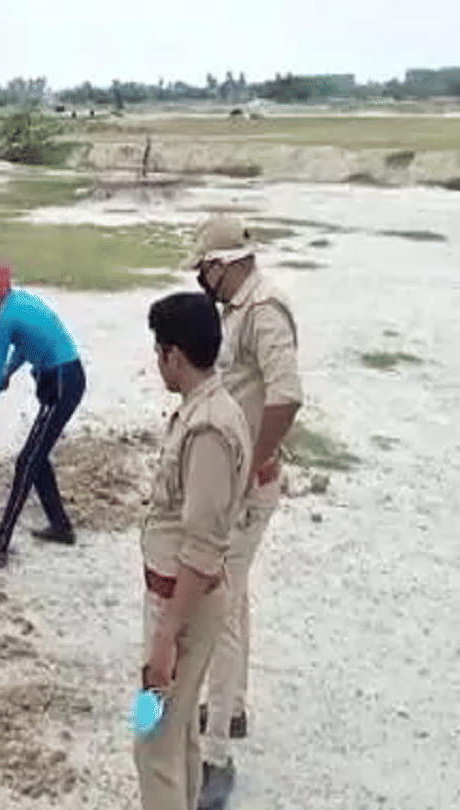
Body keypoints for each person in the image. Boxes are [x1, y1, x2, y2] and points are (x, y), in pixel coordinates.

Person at [186, 216, 302, 810]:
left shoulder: (264, 311)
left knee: (220, 612)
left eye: (204, 269)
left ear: (224, 263)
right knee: (236, 600)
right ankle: (230, 710)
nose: (202, 280)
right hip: (233, 481)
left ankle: (215, 759)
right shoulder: (238, 310)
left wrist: (260, 459)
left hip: (246, 489)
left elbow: (287, 393)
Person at [135, 292, 251, 810]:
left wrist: (165, 638)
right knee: (177, 733)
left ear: (174, 355)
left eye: (159, 351)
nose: (157, 362)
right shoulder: (209, 409)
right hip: (179, 604)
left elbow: (202, 546)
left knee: (152, 740)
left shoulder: (208, 429)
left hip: (179, 610)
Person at [0, 260, 86, 567]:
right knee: (36, 457)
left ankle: (0, 544)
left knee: (27, 461)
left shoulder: (6, 320)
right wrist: (9, 372)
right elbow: (27, 346)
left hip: (63, 381)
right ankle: (61, 527)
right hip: (63, 377)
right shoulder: (19, 302)